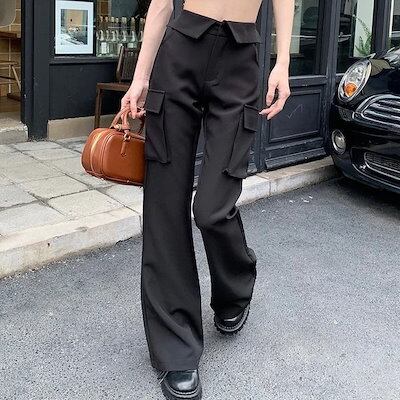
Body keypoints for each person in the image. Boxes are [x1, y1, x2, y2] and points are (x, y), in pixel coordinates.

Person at [121, 0, 294, 399]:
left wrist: (283, 60)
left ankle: (235, 285)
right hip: (181, 52)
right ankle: (176, 346)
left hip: (240, 58)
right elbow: (161, 3)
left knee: (213, 208)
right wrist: (141, 76)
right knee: (165, 205)